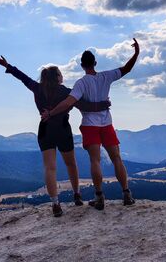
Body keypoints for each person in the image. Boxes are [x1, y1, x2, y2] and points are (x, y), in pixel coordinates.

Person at [0, 56, 111, 217]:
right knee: (71, 164)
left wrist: (7, 65)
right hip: (63, 129)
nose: (62, 76)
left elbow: (22, 77)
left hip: (45, 130)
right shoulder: (65, 92)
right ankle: (77, 195)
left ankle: (55, 204)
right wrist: (102, 105)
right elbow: (83, 105)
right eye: (60, 74)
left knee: (50, 167)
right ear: (57, 77)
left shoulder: (37, 88)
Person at [41, 38, 140, 210]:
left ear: (81, 65)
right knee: (116, 158)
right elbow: (126, 69)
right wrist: (136, 53)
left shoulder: (81, 83)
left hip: (89, 125)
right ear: (95, 62)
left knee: (95, 161)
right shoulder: (106, 76)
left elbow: (68, 103)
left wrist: (50, 113)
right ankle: (126, 193)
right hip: (106, 123)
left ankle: (99, 197)